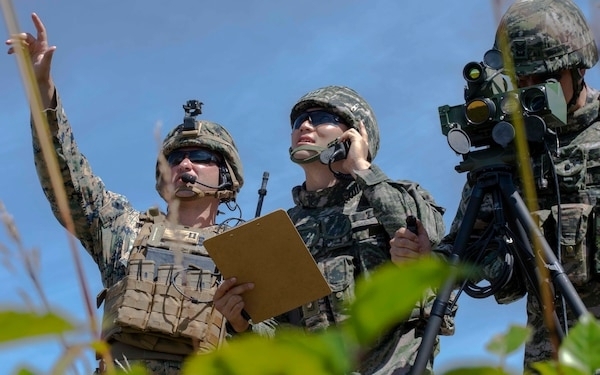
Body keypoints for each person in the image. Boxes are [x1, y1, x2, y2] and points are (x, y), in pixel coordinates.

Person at [6, 13, 245, 375]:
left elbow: (288, 338)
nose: (185, 165)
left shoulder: (246, 248)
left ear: (226, 176)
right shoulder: (125, 229)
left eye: (199, 156)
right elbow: (68, 178)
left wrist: (242, 323)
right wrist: (43, 91)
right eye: (174, 158)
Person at [393, 0, 600, 371]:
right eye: (521, 82)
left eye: (544, 80)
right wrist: (427, 258)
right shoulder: (506, 154)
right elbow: (467, 248)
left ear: (579, 69)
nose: (530, 93)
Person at [213, 85, 452, 374]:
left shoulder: (398, 195)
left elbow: (425, 245)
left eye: (320, 117)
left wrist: (362, 168)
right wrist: (242, 324)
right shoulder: (282, 229)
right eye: (298, 121)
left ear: (355, 133)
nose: (304, 126)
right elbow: (283, 334)